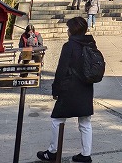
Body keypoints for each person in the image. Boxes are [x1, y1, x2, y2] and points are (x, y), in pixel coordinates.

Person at [37, 16, 97, 163]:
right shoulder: (91, 44)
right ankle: (86, 154)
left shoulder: (69, 46)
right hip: (86, 87)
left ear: (72, 30)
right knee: (85, 121)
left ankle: (52, 152)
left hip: (69, 88)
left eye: (68, 28)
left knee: (57, 120)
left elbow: (61, 70)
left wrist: (56, 89)